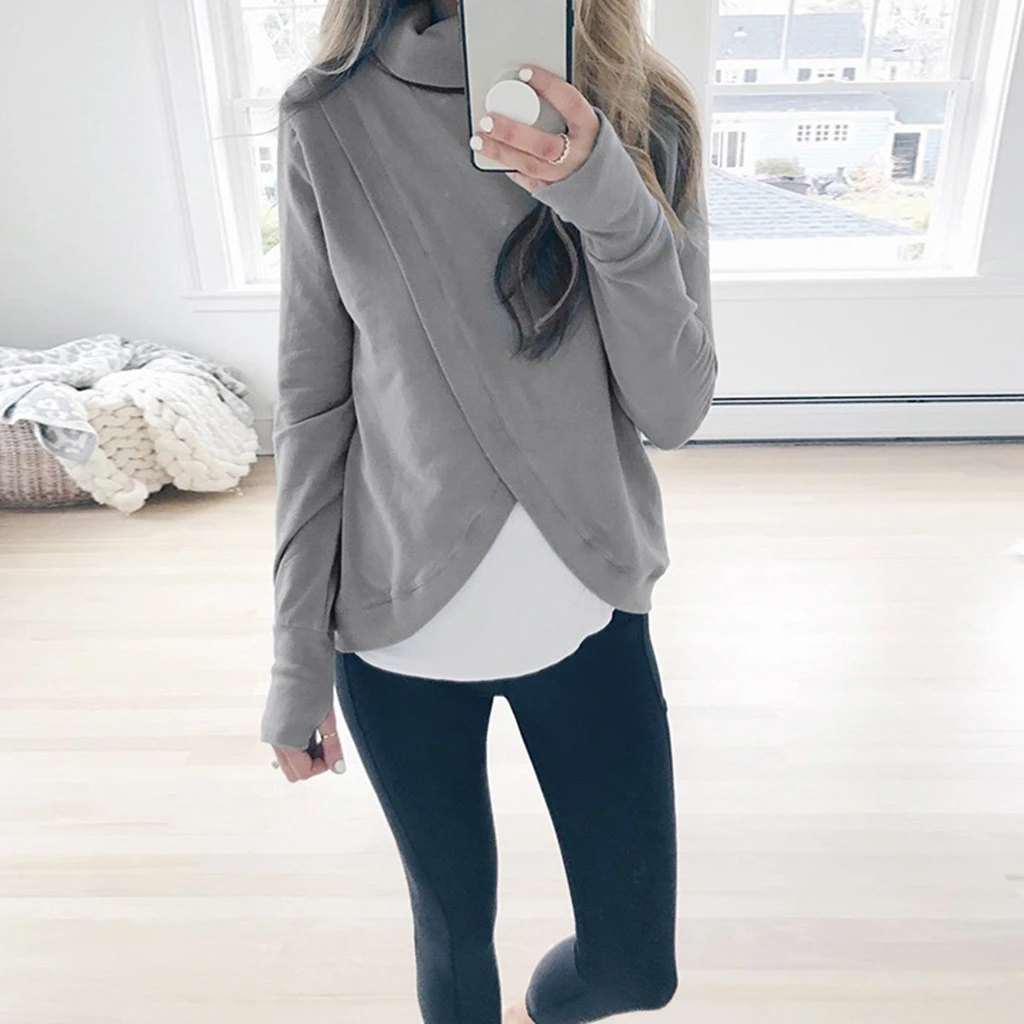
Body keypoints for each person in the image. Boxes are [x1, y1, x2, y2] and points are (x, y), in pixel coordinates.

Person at [261, 0, 717, 1020]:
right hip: (395, 624)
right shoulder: (327, 119)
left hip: (588, 604)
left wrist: (603, 196)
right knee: (453, 939)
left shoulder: (647, 114)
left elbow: (675, 410)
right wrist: (295, 655)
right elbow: (313, 403)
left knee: (634, 969)